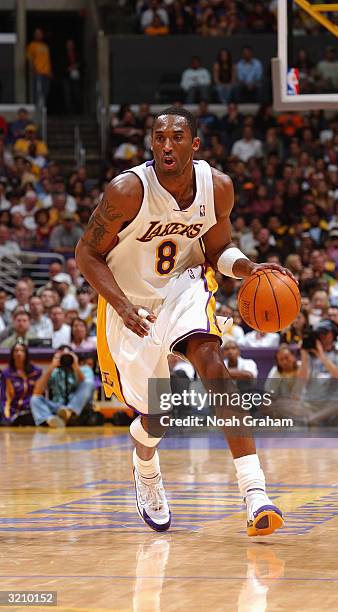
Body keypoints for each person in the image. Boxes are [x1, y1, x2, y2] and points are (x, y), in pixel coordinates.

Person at [76, 106, 296, 537]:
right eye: (159, 137)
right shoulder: (127, 191)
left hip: (183, 289)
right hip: (129, 303)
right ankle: (146, 469)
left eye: (176, 136)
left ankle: (255, 493)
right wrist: (120, 305)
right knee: (158, 416)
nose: (166, 144)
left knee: (213, 365)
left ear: (194, 145)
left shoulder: (218, 187)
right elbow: (87, 254)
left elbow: (218, 250)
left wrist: (249, 269)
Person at [30, 345, 95, 428]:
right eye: (62, 357)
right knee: (35, 399)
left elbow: (86, 385)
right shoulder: (54, 371)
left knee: (88, 383)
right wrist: (51, 368)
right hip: (57, 407)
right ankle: (51, 419)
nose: (65, 359)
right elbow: (37, 392)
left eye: (67, 356)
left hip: (77, 408)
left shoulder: (84, 369)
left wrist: (75, 365)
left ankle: (69, 411)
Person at [1, 343, 42, 425]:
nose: (19, 353)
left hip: (31, 410)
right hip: (13, 410)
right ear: (12, 355)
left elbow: (38, 394)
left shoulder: (36, 372)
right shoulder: (7, 373)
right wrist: (7, 417)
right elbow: (5, 398)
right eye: (16, 351)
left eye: (22, 351)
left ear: (26, 354)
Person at [26, 28, 52, 104]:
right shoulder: (32, 45)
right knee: (37, 91)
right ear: (34, 35)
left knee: (45, 91)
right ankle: (37, 108)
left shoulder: (45, 46)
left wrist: (50, 71)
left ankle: (42, 108)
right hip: (38, 72)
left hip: (46, 73)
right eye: (37, 33)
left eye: (40, 33)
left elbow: (48, 60)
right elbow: (29, 59)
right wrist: (32, 69)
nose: (38, 35)